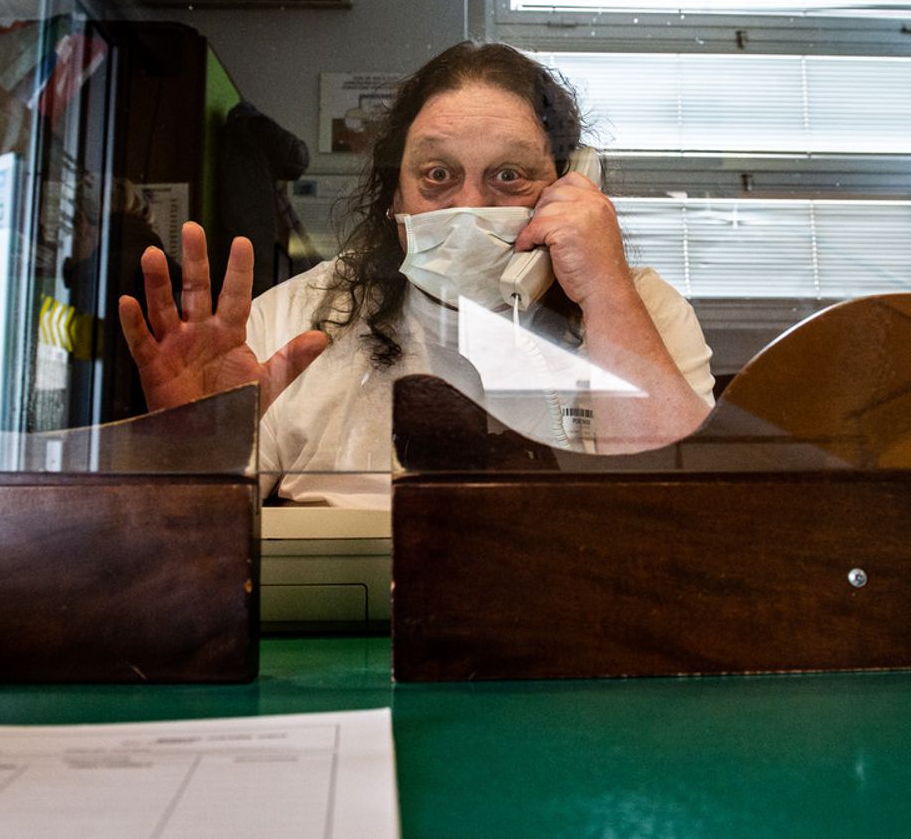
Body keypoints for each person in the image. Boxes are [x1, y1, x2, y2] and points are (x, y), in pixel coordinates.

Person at [118, 42, 714, 507]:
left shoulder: (644, 311)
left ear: (568, 183)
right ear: (394, 200)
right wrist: (192, 445)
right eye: (437, 175)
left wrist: (604, 289)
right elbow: (179, 554)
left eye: (510, 175)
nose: (468, 206)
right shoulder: (299, 318)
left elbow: (684, 511)